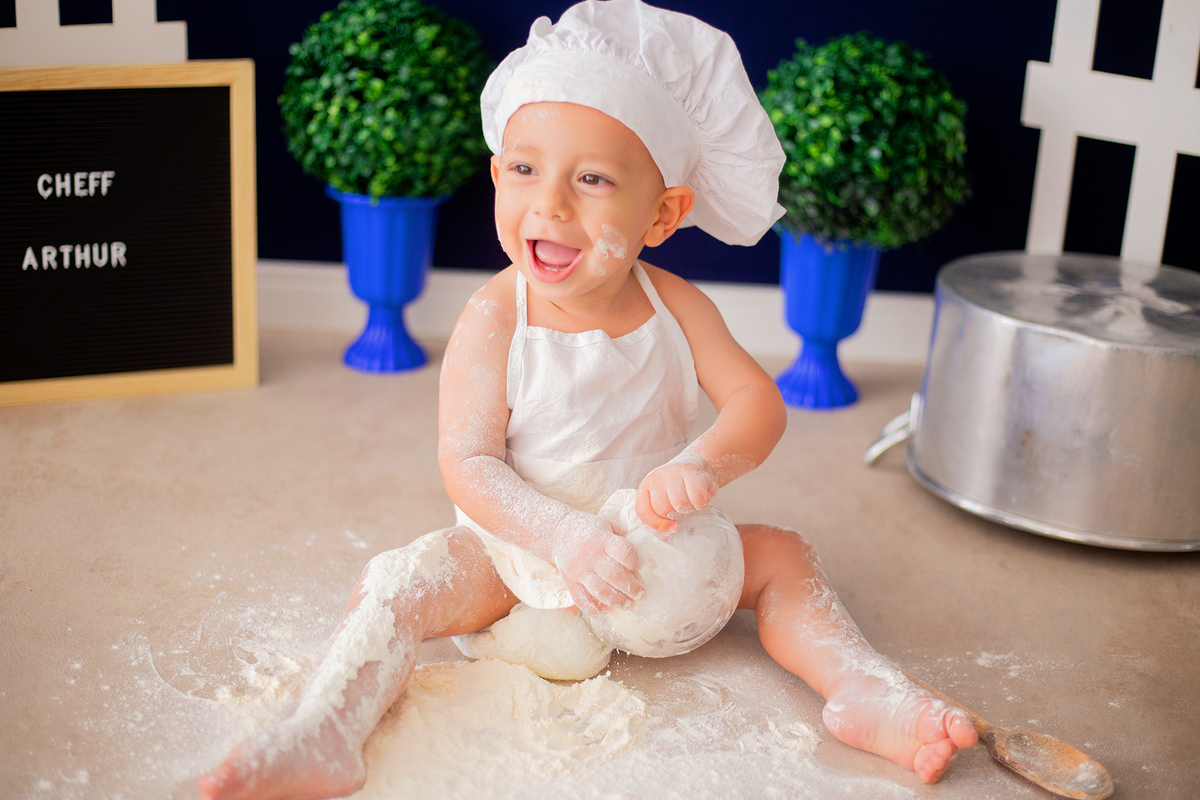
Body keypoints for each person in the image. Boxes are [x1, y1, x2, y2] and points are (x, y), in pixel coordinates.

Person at [198, 2, 977, 798]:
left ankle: (864, 689)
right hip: (520, 556)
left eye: (593, 179)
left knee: (786, 558)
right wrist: (563, 536)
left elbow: (757, 402)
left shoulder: (680, 308)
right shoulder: (494, 317)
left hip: (661, 555)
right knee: (403, 581)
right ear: (499, 175)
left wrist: (703, 465)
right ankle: (325, 727)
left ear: (664, 214)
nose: (552, 203)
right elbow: (467, 462)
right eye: (526, 169)